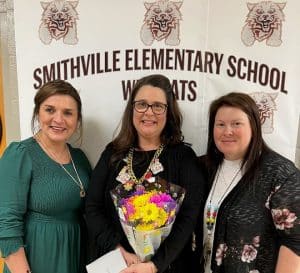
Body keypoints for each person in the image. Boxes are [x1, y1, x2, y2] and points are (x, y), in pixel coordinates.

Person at [85, 74, 205, 273]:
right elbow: (92, 207)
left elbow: (188, 218)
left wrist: (153, 265)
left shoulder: (183, 158)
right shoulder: (113, 154)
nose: (149, 112)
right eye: (142, 104)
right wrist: (118, 250)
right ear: (132, 109)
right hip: (118, 265)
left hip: (168, 266)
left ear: (169, 112)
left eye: (158, 106)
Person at [195, 92, 300, 273]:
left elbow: (295, 240)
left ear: (253, 126)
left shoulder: (280, 173)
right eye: (220, 124)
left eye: (237, 123)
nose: (227, 131)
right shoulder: (203, 167)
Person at [0, 80, 91, 273]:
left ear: (77, 119)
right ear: (37, 113)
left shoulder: (80, 159)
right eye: (50, 110)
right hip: (36, 260)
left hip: (73, 256)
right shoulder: (20, 154)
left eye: (68, 113)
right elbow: (6, 224)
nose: (58, 119)